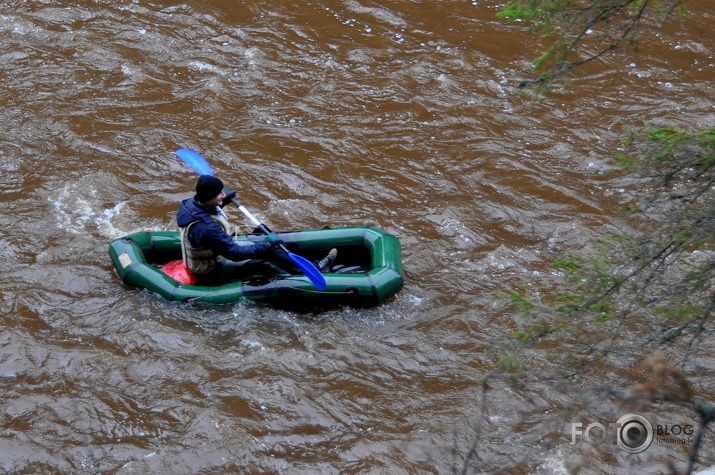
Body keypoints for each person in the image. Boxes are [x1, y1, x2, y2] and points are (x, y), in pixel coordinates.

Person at [176, 175, 336, 283]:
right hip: (211, 270)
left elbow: (209, 207)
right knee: (261, 264)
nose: (223, 195)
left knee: (261, 236)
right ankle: (302, 280)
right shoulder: (206, 228)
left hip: (213, 255)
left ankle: (312, 265)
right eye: (219, 194)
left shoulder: (190, 204)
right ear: (209, 196)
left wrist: (223, 201)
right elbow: (235, 254)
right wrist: (266, 244)